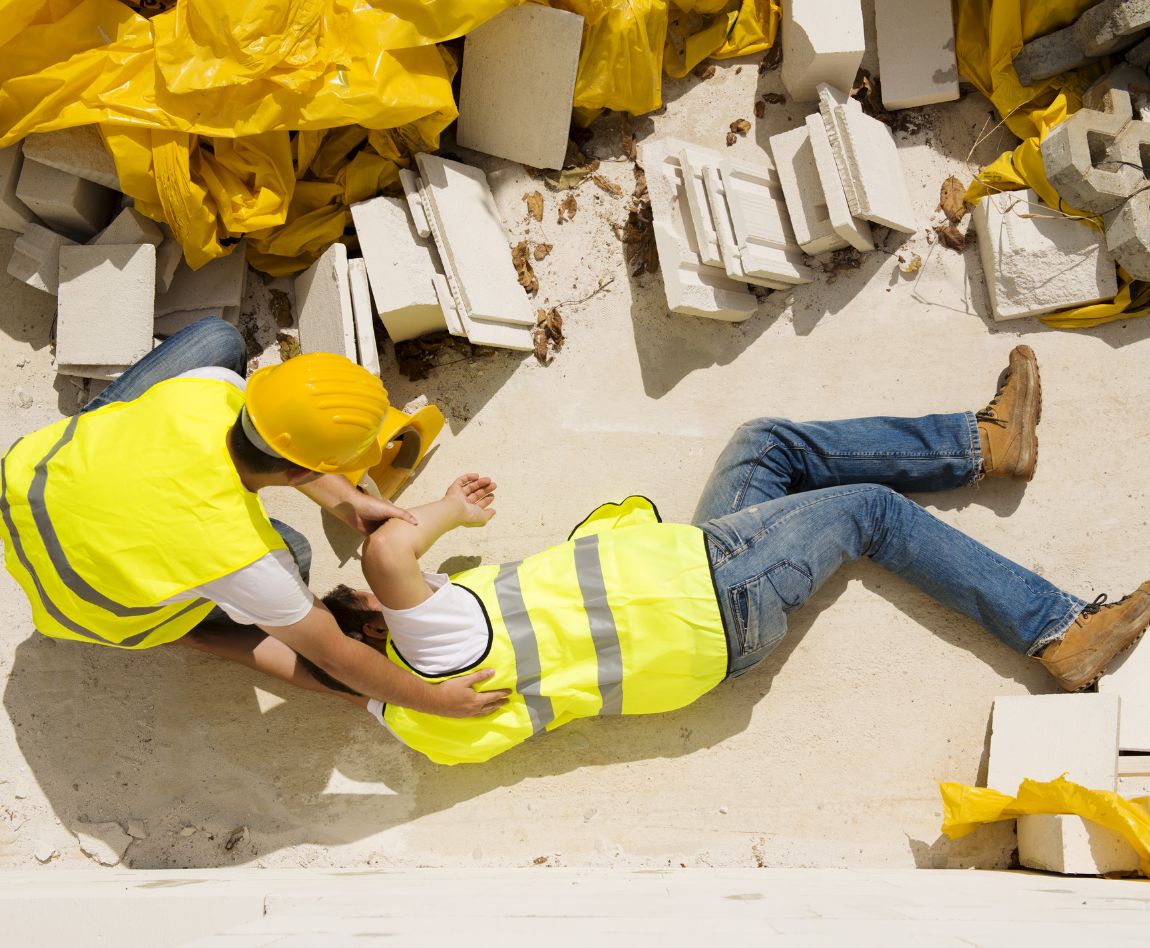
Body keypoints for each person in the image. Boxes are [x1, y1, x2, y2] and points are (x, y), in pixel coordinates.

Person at [294, 346, 1150, 765]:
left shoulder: (412, 722)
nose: (417, 588)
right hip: (715, 592)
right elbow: (390, 556)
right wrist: (446, 508)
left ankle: (983, 445)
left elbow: (306, 670)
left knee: (765, 444)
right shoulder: (434, 644)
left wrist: (215, 636)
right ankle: (1059, 632)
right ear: (378, 630)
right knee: (870, 513)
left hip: (700, 601)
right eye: (378, 605)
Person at [0, 316, 507, 718]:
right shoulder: (247, 559)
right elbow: (333, 656)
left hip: (26, 487)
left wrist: (345, 500)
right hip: (87, 606)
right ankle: (182, 625)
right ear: (300, 469)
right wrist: (434, 700)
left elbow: (276, 445)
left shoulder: (208, 389)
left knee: (217, 338)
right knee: (297, 553)